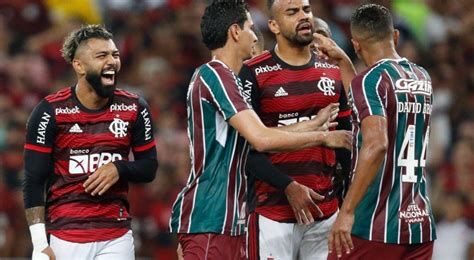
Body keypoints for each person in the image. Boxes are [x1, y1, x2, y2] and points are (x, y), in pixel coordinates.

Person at [168, 1, 352, 260]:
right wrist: (323, 136)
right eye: (250, 28)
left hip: (232, 219)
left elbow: (263, 130)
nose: (255, 36)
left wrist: (313, 124)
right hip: (211, 217)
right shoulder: (215, 75)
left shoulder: (228, 79)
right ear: (235, 32)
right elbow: (262, 139)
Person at [22, 24, 158, 260]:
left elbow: (149, 167)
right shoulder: (50, 111)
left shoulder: (134, 108)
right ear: (79, 65)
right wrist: (39, 243)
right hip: (66, 235)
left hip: (117, 234)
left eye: (115, 55)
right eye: (101, 55)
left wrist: (119, 167)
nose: (112, 61)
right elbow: (34, 180)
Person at [239, 0, 355, 259]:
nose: (303, 17)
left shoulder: (331, 70)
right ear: (274, 25)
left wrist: (348, 202)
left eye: (306, 10)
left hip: (325, 213)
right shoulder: (254, 73)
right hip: (273, 212)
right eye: (292, 12)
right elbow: (245, 149)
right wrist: (288, 186)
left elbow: (346, 140)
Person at [328, 4, 436, 259]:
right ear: (395, 36)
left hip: (374, 224)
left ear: (356, 45)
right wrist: (344, 62)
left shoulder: (369, 81)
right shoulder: (422, 77)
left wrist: (347, 211)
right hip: (419, 224)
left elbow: (377, 144)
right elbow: (375, 99)